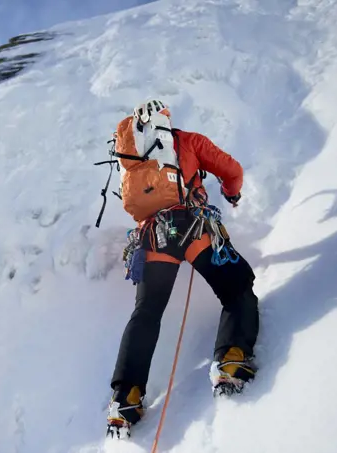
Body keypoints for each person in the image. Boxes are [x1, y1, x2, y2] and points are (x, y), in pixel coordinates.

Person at [106, 100, 259, 435]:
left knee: (146, 313)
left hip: (153, 237)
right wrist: (231, 195)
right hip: (193, 227)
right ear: (166, 122)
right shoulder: (187, 141)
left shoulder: (132, 156)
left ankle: (125, 398)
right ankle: (232, 360)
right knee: (236, 290)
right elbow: (232, 171)